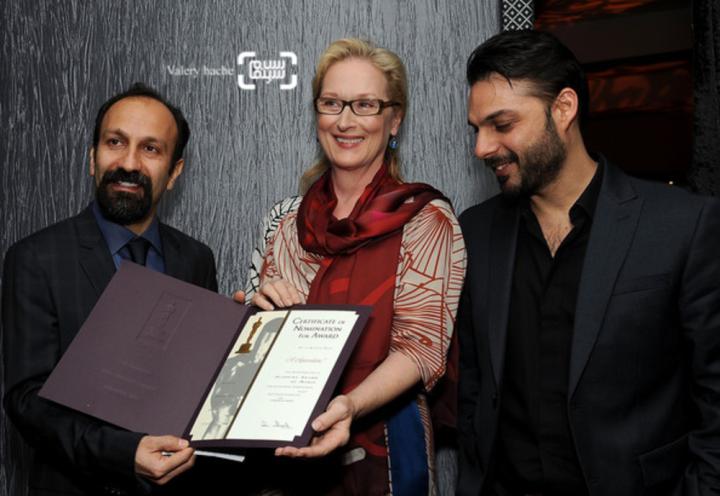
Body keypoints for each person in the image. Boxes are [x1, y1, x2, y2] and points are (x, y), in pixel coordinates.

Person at [456, 29, 720, 496]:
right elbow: (476, 390)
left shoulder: (682, 226)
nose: (482, 148)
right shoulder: (476, 232)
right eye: (477, 129)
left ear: (563, 109)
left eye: (501, 124)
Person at [241, 38, 466, 495]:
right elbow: (253, 357)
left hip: (382, 451)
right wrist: (251, 317)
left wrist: (348, 406)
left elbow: (422, 351)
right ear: (316, 114)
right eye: (332, 103)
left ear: (394, 118)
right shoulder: (282, 223)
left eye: (365, 105)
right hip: (280, 456)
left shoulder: (426, 220)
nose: (345, 121)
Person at [2, 83, 218, 495]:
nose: (129, 163)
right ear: (91, 158)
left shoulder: (195, 260)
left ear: (174, 172)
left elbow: (193, 390)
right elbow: (28, 400)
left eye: (151, 149)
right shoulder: (36, 259)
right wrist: (125, 452)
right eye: (115, 142)